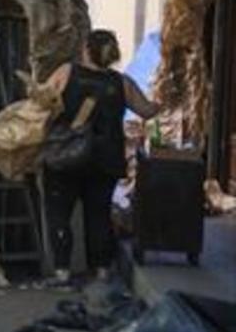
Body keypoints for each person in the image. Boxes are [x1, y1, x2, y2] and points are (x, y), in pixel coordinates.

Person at [42, 29, 160, 287]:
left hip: (66, 156)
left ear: (86, 49)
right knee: (98, 215)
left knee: (60, 214)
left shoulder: (66, 73)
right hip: (105, 159)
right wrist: (166, 97)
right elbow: (147, 111)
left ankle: (62, 272)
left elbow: (41, 103)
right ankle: (101, 271)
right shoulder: (122, 83)